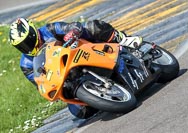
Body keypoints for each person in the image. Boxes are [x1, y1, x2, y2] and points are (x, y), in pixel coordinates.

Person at [9, 18, 143, 119]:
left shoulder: (49, 30)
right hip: (67, 76)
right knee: (78, 111)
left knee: (93, 27)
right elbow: (40, 83)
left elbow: (73, 26)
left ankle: (124, 39)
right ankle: (103, 94)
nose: (27, 46)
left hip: (85, 51)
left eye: (28, 40)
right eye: (22, 46)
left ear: (33, 31)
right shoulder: (26, 64)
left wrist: (72, 32)